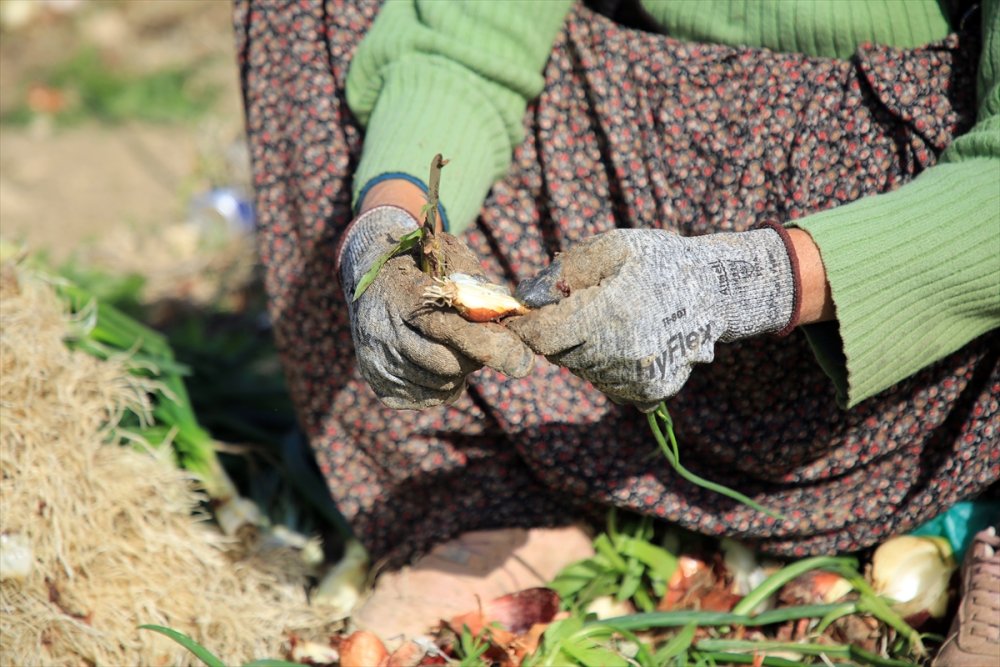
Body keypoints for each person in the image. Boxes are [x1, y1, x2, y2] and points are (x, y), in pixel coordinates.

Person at [234, 0, 999, 652]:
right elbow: (464, 33)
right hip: (637, 132)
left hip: (908, 245)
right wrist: (390, 222)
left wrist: (745, 282)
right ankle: (485, 508)